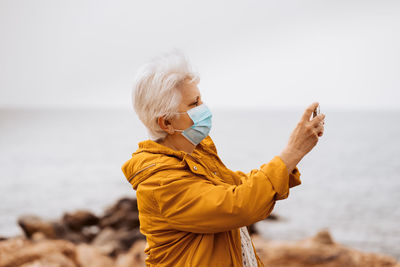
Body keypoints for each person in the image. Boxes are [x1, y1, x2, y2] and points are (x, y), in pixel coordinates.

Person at [121, 51, 325, 267]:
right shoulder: (160, 182)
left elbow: (242, 185)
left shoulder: (196, 156)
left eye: (201, 99)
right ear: (166, 124)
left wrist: (292, 158)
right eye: (194, 103)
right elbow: (238, 206)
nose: (204, 108)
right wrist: (292, 151)